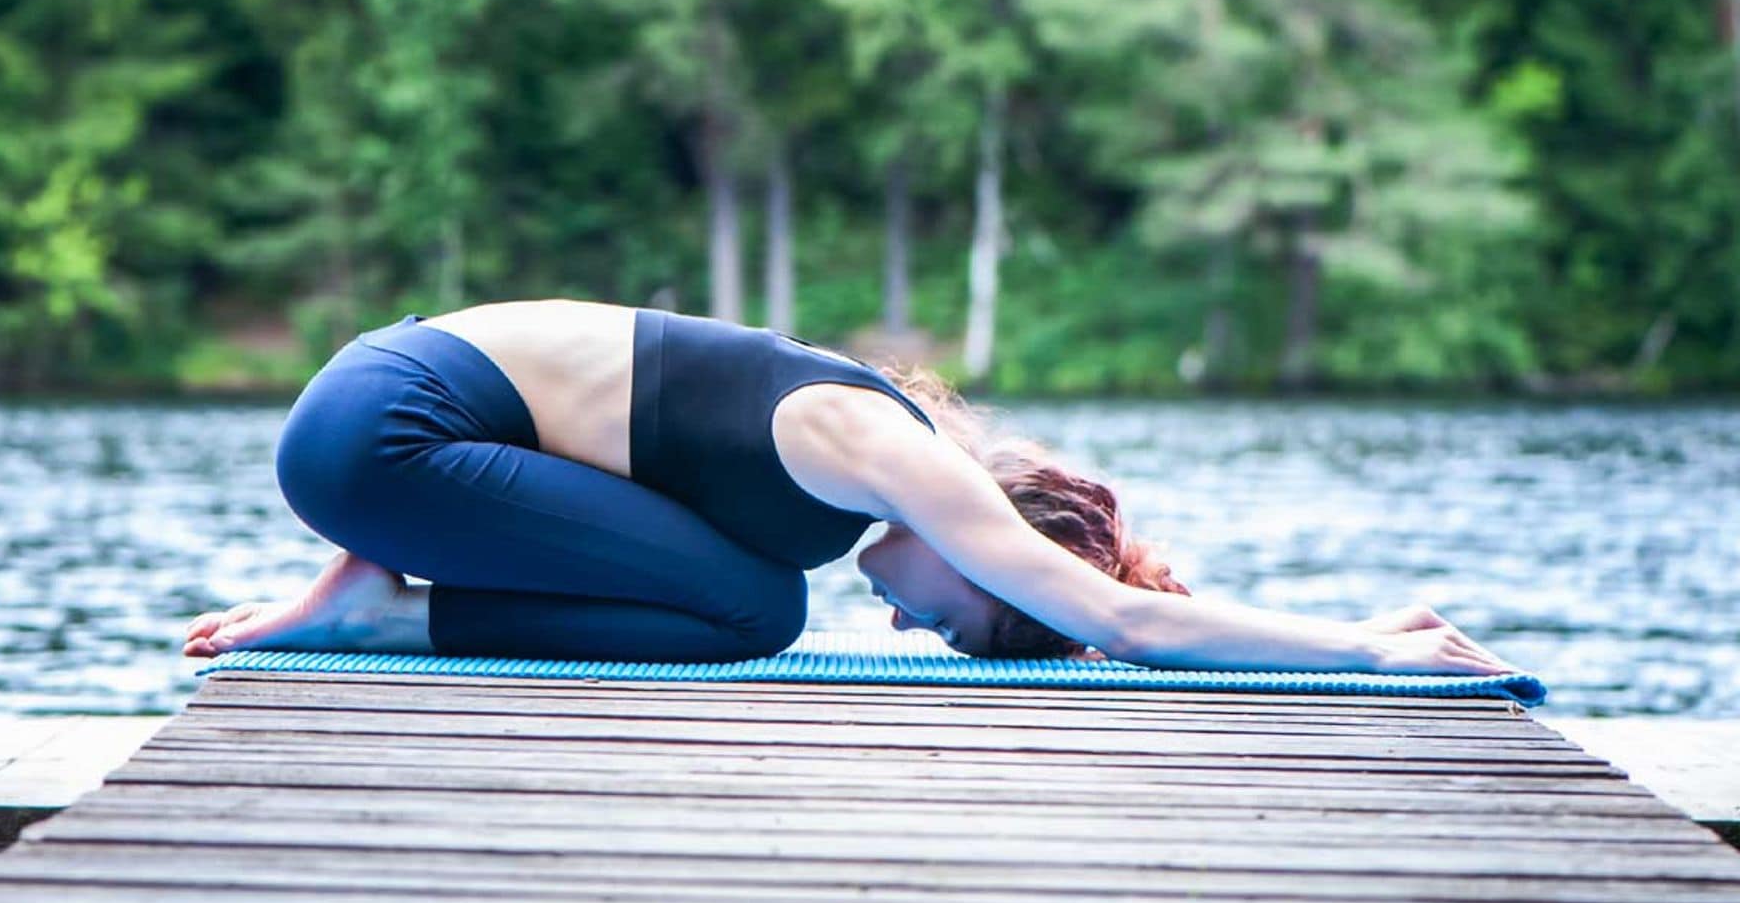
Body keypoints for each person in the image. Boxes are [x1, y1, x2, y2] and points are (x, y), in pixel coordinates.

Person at [183, 298, 1522, 677]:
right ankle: (379, 613)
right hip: (385, 429)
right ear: (986, 533)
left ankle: (381, 590)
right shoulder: (872, 448)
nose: (910, 623)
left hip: (390, 432)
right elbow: (1132, 625)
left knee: (751, 600)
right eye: (960, 614)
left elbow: (1110, 592)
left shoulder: (840, 492)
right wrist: (1365, 643)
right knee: (754, 609)